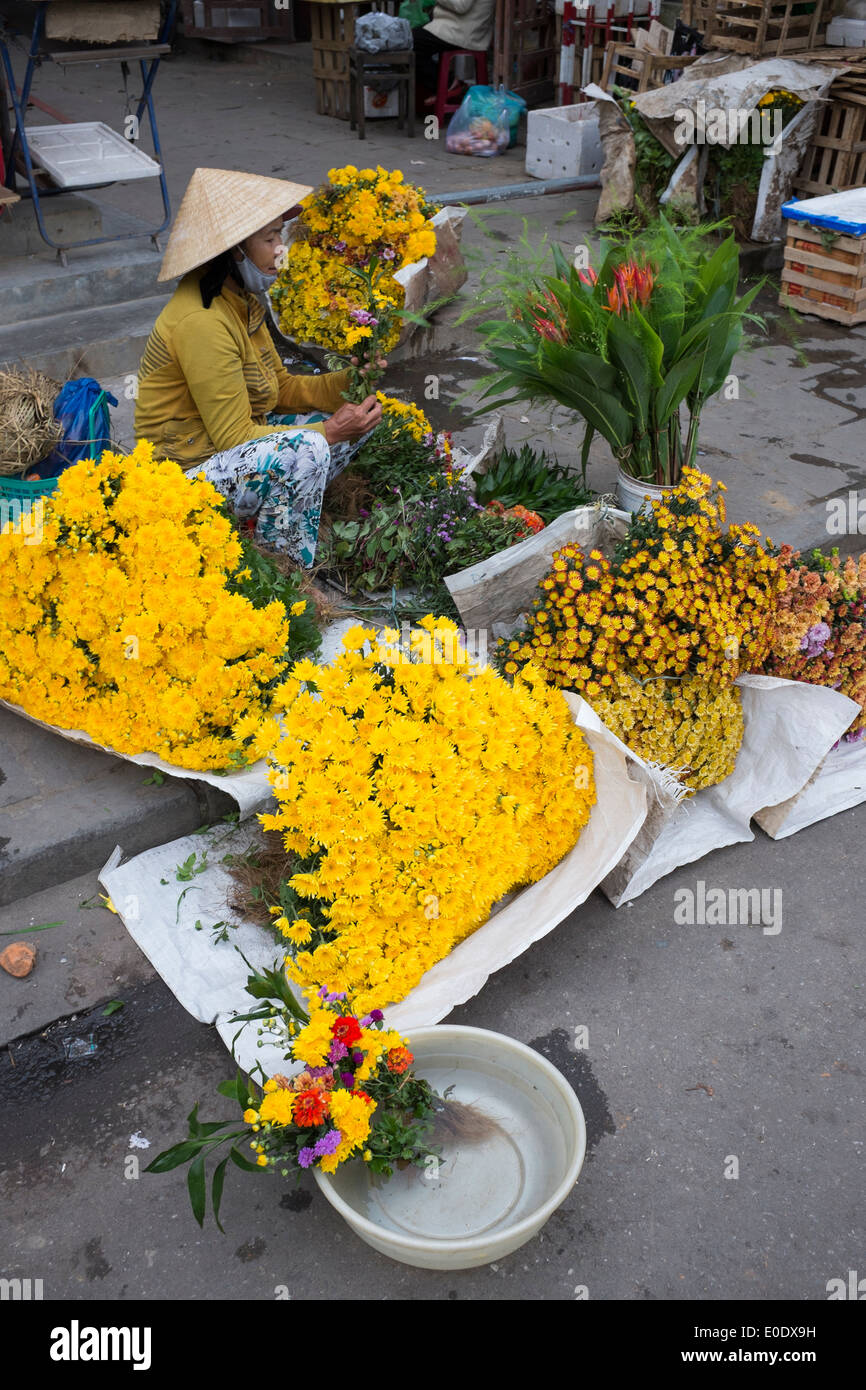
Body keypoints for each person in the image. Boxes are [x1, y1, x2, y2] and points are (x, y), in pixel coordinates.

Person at [134, 167, 382, 567]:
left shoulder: (241, 300)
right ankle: (281, 574)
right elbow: (235, 437)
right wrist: (329, 432)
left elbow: (280, 390)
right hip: (184, 477)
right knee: (310, 447)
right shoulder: (202, 321)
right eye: (269, 238)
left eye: (279, 235)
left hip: (228, 457)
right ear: (234, 251)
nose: (280, 248)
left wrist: (352, 381)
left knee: (361, 418)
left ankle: (272, 526)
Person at [412, 0, 496, 97]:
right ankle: (445, 85)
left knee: (409, 43)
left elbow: (461, 5)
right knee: (407, 39)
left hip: (462, 30)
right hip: (455, 26)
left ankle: (449, 84)